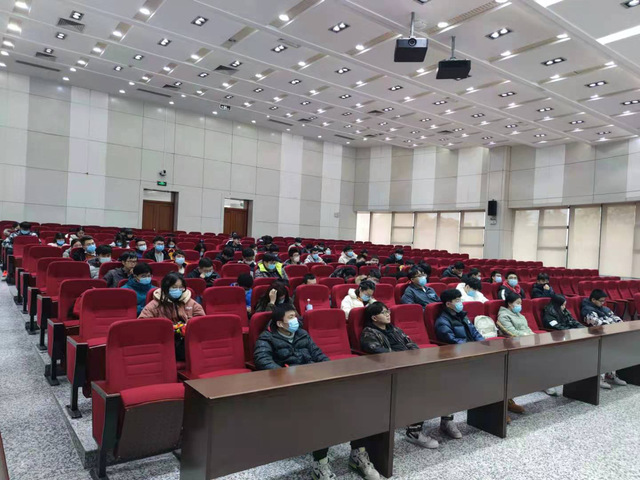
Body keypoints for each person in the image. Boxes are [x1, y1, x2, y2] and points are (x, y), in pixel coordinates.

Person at [254, 304, 381, 480]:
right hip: (291, 387)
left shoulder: (302, 334)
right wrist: (289, 376)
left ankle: (357, 453)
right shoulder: (266, 338)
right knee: (324, 411)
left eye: (296, 316)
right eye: (291, 317)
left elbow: (318, 355)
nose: (296, 320)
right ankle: (320, 464)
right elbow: (263, 361)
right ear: (280, 323)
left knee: (358, 400)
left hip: (315, 380)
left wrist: (332, 372)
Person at [139, 272, 205, 361]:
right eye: (174, 287)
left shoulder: (190, 302)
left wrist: (186, 326)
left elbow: (201, 321)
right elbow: (142, 324)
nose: (178, 290)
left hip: (187, 340)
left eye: (181, 287)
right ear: (166, 288)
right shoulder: (155, 304)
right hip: (164, 342)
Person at [581, 289, 627, 390]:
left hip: (609, 334)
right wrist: (613, 325)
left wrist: (619, 324)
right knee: (605, 353)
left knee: (616, 351)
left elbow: (615, 317)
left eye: (604, 301)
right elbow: (597, 323)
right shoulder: (588, 310)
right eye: (601, 301)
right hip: (596, 336)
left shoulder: (604, 308)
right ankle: (600, 378)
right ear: (593, 300)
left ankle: (611, 374)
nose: (603, 303)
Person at [496, 291, 529, 414]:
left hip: (526, 342)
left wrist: (535, 337)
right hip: (514, 346)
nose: (520, 306)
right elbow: (512, 333)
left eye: (521, 303)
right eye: (518, 303)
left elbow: (528, 329)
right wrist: (529, 337)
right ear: (510, 304)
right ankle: (504, 403)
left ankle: (509, 400)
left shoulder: (520, 315)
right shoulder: (503, 316)